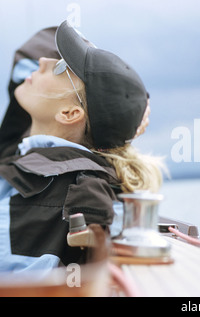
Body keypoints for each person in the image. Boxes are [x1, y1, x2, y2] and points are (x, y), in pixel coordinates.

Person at [0, 20, 164, 273]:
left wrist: (127, 102)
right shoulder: (29, 158)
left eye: (60, 66)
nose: (43, 61)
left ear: (68, 113)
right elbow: (34, 52)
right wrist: (129, 102)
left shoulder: (72, 190)